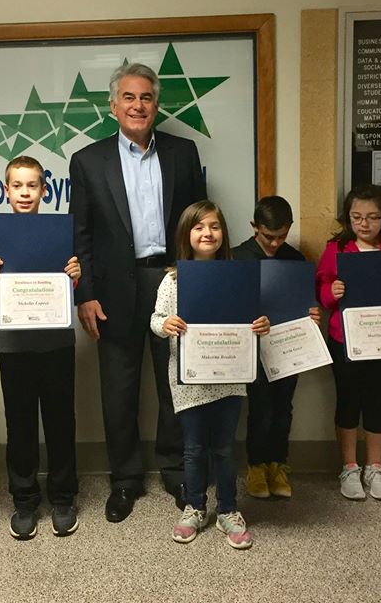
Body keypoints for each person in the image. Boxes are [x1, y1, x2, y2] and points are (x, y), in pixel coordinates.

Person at [69, 62, 207, 522]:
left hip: (169, 280)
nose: (138, 105)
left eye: (146, 97)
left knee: (175, 383)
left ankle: (174, 468)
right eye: (128, 97)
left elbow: (198, 223)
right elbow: (81, 235)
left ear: (156, 104)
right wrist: (84, 294)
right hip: (112, 289)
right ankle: (125, 479)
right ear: (113, 106)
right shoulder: (88, 161)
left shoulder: (183, 153)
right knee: (119, 389)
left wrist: (197, 278)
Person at [151, 200, 269, 549]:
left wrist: (261, 324)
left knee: (225, 448)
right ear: (187, 234)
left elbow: (255, 317)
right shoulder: (173, 279)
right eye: (200, 227)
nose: (208, 233)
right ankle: (195, 506)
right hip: (190, 380)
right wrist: (165, 324)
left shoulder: (238, 276)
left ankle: (228, 510)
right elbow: (155, 319)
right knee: (193, 448)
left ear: (224, 233)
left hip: (230, 377)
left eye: (215, 226)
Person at [0, 156, 81, 540]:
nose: (25, 193)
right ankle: (24, 500)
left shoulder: (61, 230)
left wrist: (74, 277)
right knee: (20, 422)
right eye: (17, 186)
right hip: (14, 343)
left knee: (60, 419)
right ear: (6, 190)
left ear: (45, 190)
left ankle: (63, 496)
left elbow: (66, 287)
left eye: (32, 186)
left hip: (56, 340)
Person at [315, 184, 381, 501]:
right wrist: (330, 293)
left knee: (377, 400)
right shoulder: (336, 248)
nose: (364, 224)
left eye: (373, 217)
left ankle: (375, 466)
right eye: (357, 217)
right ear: (348, 218)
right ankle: (349, 466)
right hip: (344, 338)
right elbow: (321, 290)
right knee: (348, 401)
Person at [231, 195, 319, 500]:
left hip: (288, 348)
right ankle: (256, 467)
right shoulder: (237, 258)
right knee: (261, 410)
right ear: (255, 226)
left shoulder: (295, 260)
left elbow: (307, 303)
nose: (274, 243)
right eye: (269, 237)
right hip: (253, 350)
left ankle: (278, 466)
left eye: (281, 236)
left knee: (283, 409)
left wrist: (313, 314)